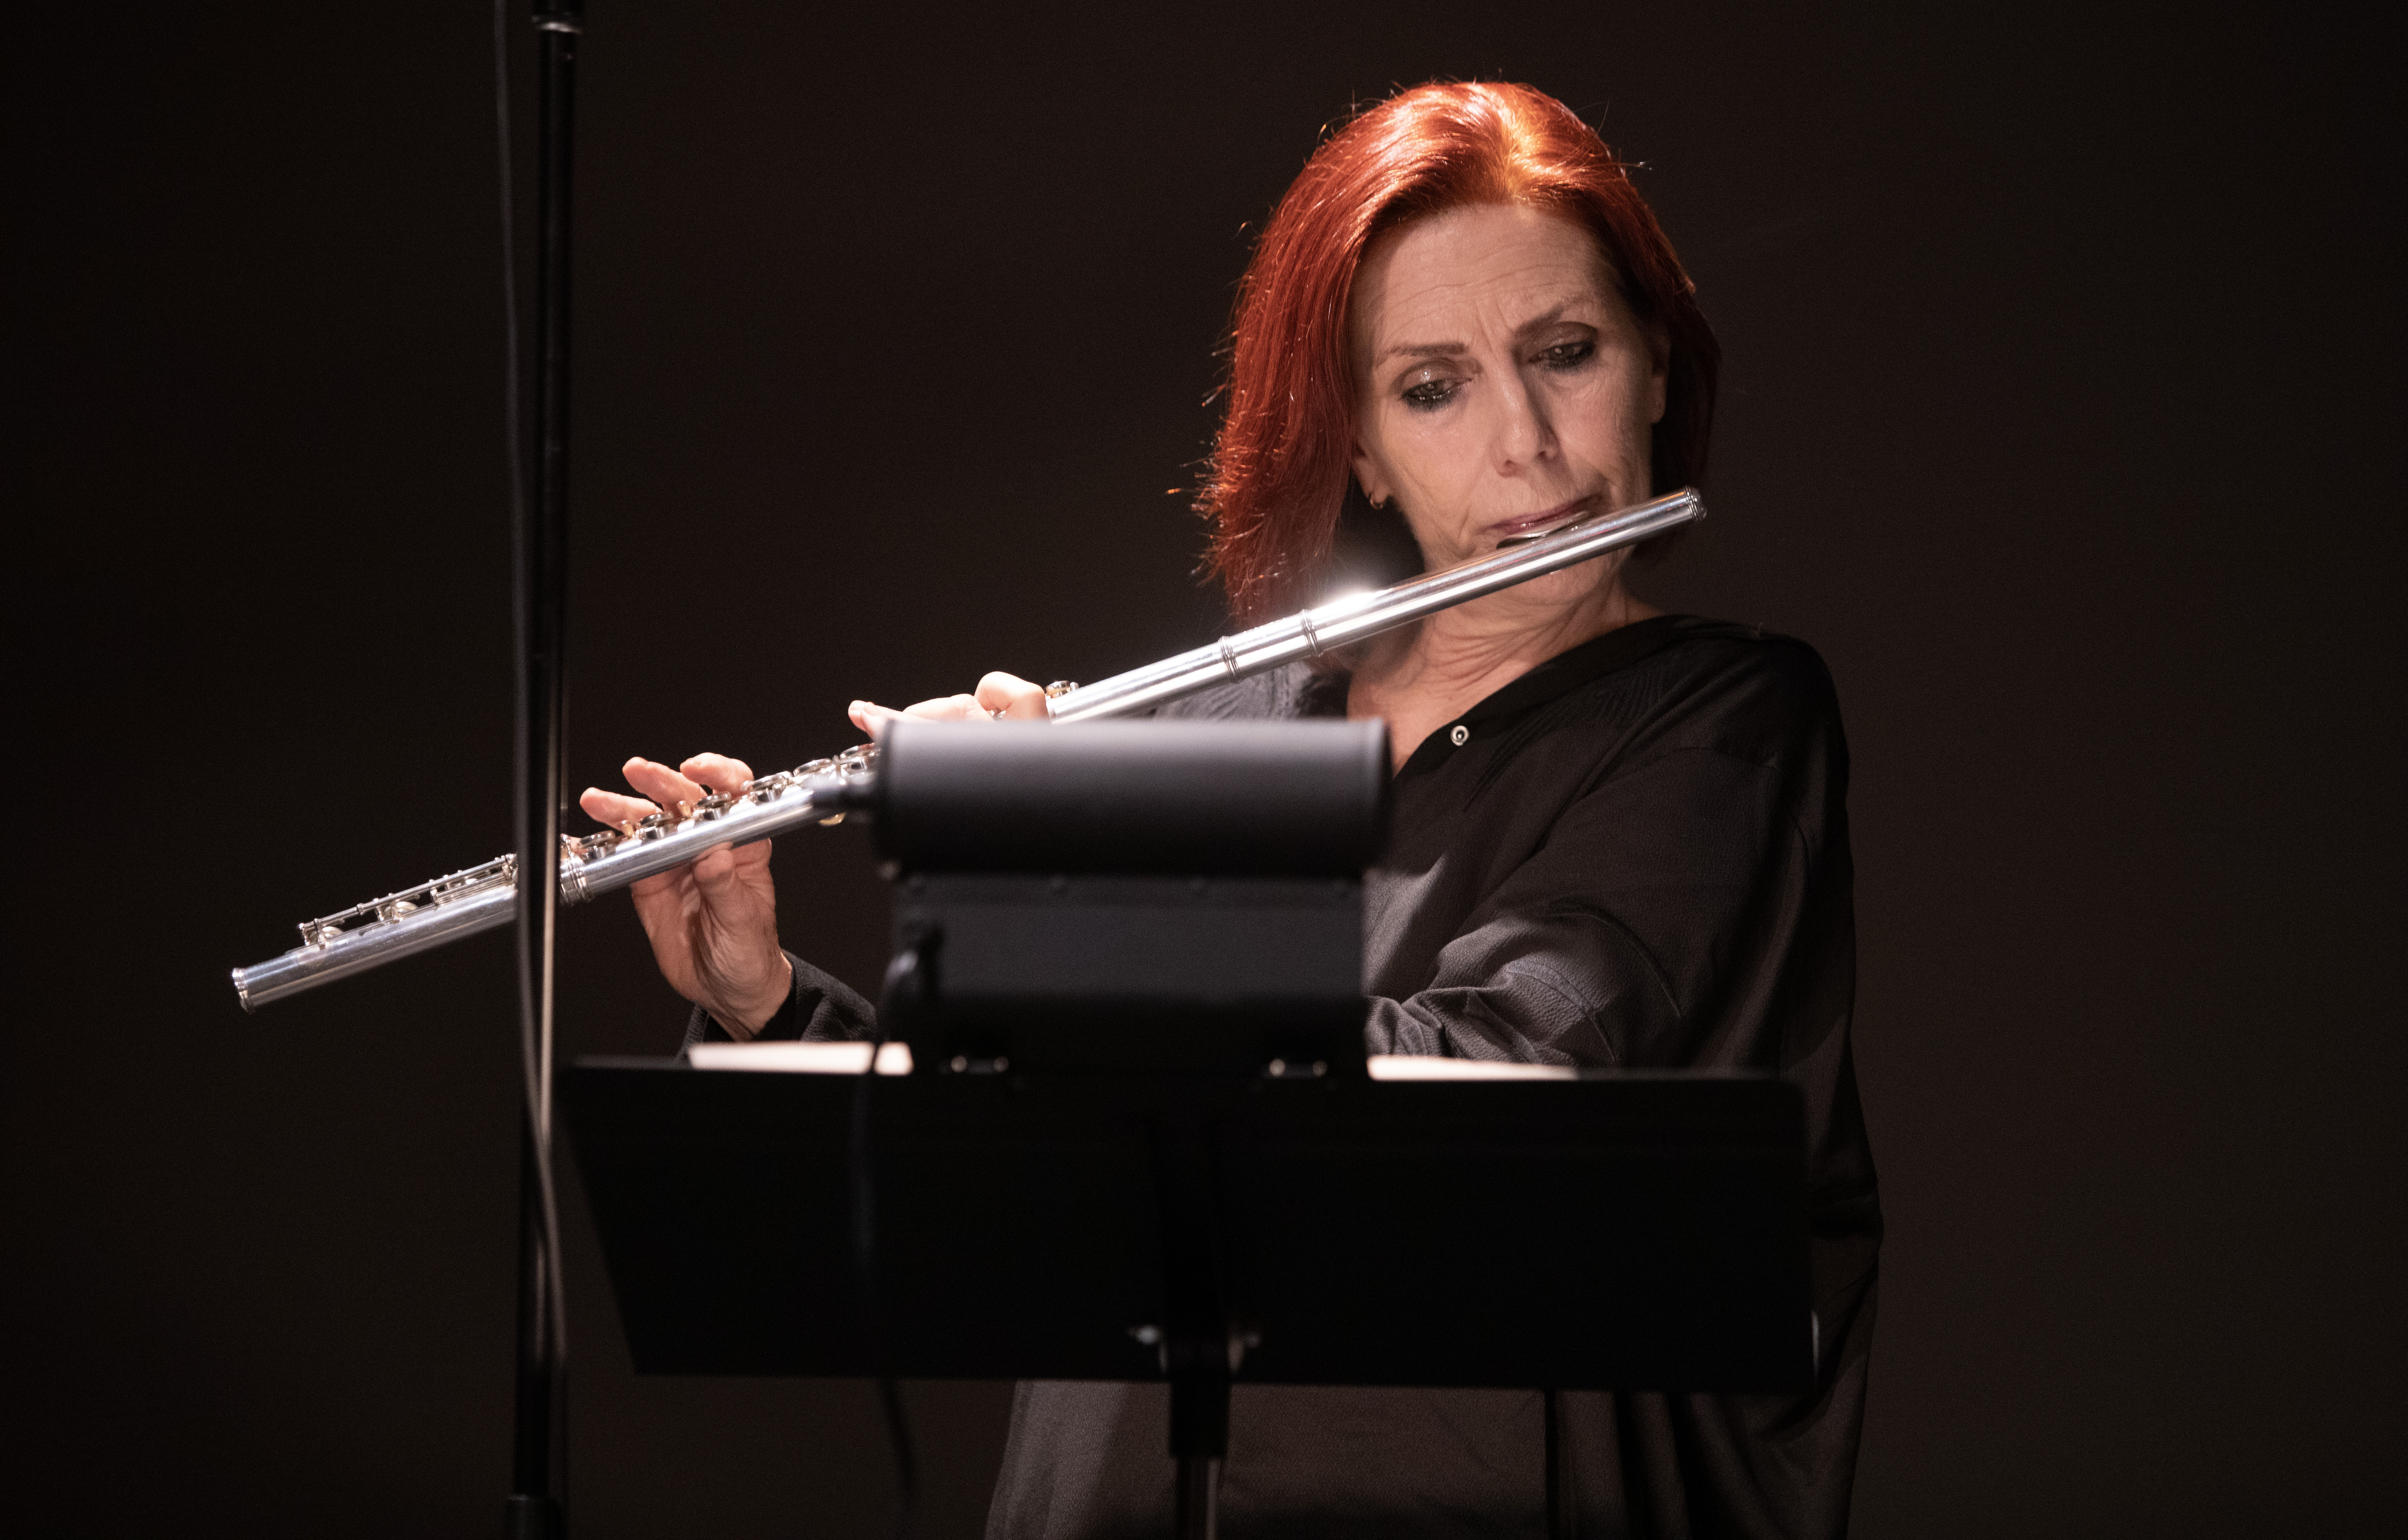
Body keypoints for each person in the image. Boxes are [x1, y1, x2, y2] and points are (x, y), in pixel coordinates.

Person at [580, 81, 1880, 1539]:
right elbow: (1046, 1183)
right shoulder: (1210, 730)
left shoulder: (1723, 726)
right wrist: (768, 1007)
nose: (1524, 444)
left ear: (1654, 365)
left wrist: (1067, 860)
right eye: (1433, 386)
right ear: (1365, 447)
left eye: (1566, 353)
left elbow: (1473, 1099)